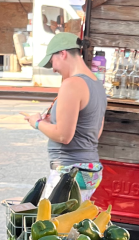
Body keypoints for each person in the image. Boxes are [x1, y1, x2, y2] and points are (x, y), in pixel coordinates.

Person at [19, 32, 107, 200]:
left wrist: (36, 122)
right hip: (90, 170)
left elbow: (63, 136)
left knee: (52, 225)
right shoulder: (97, 84)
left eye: (52, 61)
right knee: (73, 224)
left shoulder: (72, 84)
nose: (53, 68)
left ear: (63, 53)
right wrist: (52, 121)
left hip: (69, 172)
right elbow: (94, 132)